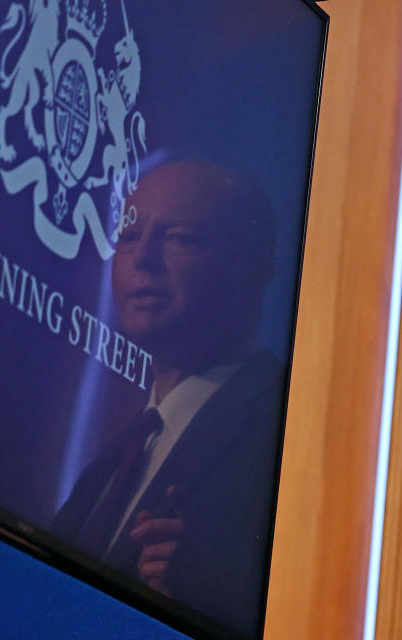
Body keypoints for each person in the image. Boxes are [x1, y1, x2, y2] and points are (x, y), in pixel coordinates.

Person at [51, 161, 284, 635]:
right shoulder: (113, 461)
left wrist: (216, 598)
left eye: (179, 238)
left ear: (256, 267)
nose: (143, 260)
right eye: (130, 237)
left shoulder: (284, 431)